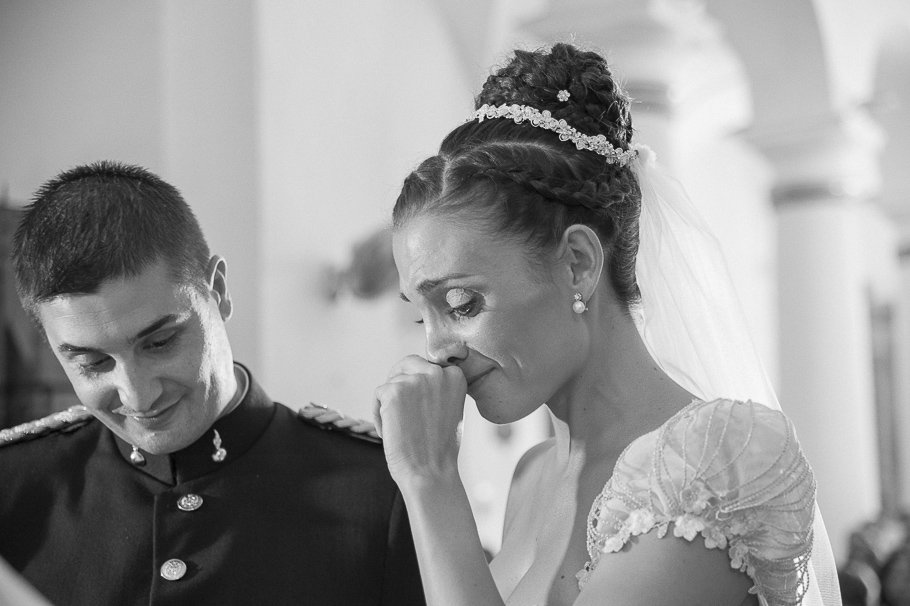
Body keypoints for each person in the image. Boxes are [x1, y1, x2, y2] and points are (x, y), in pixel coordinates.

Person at [373, 43, 842, 606]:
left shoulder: (713, 465)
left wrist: (430, 482)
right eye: (420, 315)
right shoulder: (533, 477)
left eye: (461, 303)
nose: (437, 350)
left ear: (578, 263)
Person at [0, 162, 426, 606]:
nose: (138, 395)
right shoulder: (14, 486)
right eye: (91, 362)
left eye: (160, 342)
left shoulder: (379, 491)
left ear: (217, 290)